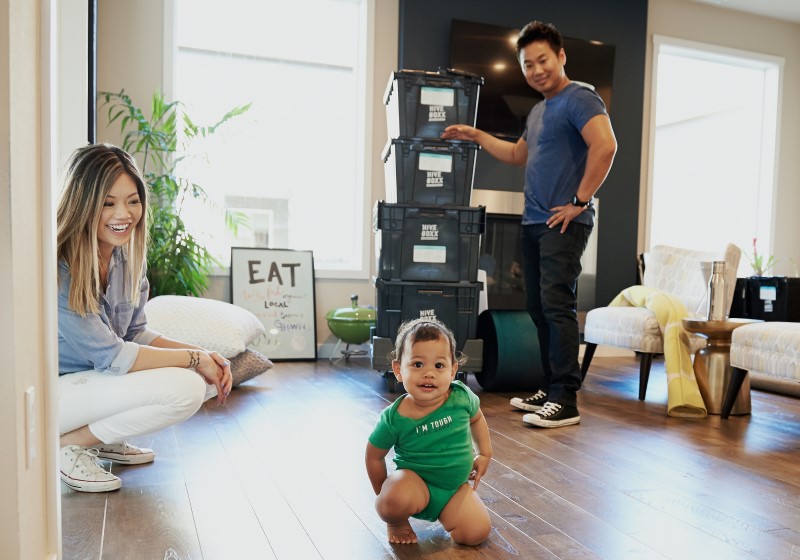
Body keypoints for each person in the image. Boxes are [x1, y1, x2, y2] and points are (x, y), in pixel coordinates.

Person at [442, 20, 617, 428]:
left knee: (558, 308)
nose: (537, 70)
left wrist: (579, 201)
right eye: (528, 65)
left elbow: (605, 146)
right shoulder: (539, 110)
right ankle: (549, 385)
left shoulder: (580, 98)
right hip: (535, 221)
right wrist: (475, 134)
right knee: (538, 309)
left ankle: (566, 399)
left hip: (562, 222)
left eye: (543, 60)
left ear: (561, 57)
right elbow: (518, 153)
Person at [56, 143, 233, 492]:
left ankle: (97, 440)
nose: (123, 213)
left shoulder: (126, 261)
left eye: (132, 201)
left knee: (201, 380)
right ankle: (66, 445)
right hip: (54, 396)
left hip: (94, 384)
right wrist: (195, 359)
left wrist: (204, 355)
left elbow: (136, 334)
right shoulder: (62, 268)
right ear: (83, 203)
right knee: (188, 387)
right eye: (108, 203)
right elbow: (115, 356)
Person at [365, 318, 493, 546]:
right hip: (415, 486)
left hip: (454, 489)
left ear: (453, 370)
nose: (429, 374)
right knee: (391, 501)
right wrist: (385, 496)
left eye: (439, 366)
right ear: (398, 370)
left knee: (475, 533)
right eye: (417, 364)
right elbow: (373, 455)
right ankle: (397, 521)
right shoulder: (394, 418)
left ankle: (453, 515)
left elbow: (477, 418)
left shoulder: (461, 397)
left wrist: (484, 453)